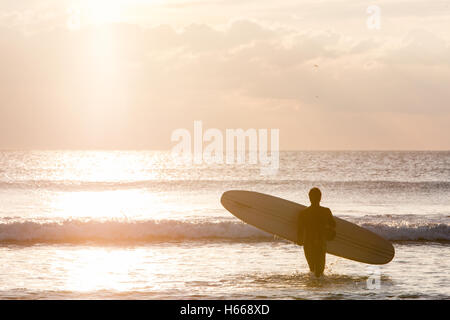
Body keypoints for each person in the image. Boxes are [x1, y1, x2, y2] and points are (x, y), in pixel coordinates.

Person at [298, 187, 336, 278]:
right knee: (320, 272)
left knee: (312, 270)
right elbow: (333, 225)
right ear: (320, 198)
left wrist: (299, 240)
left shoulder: (304, 213)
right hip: (320, 243)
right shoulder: (326, 211)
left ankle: (313, 289)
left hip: (308, 244)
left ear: (309, 198)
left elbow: (299, 231)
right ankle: (319, 289)